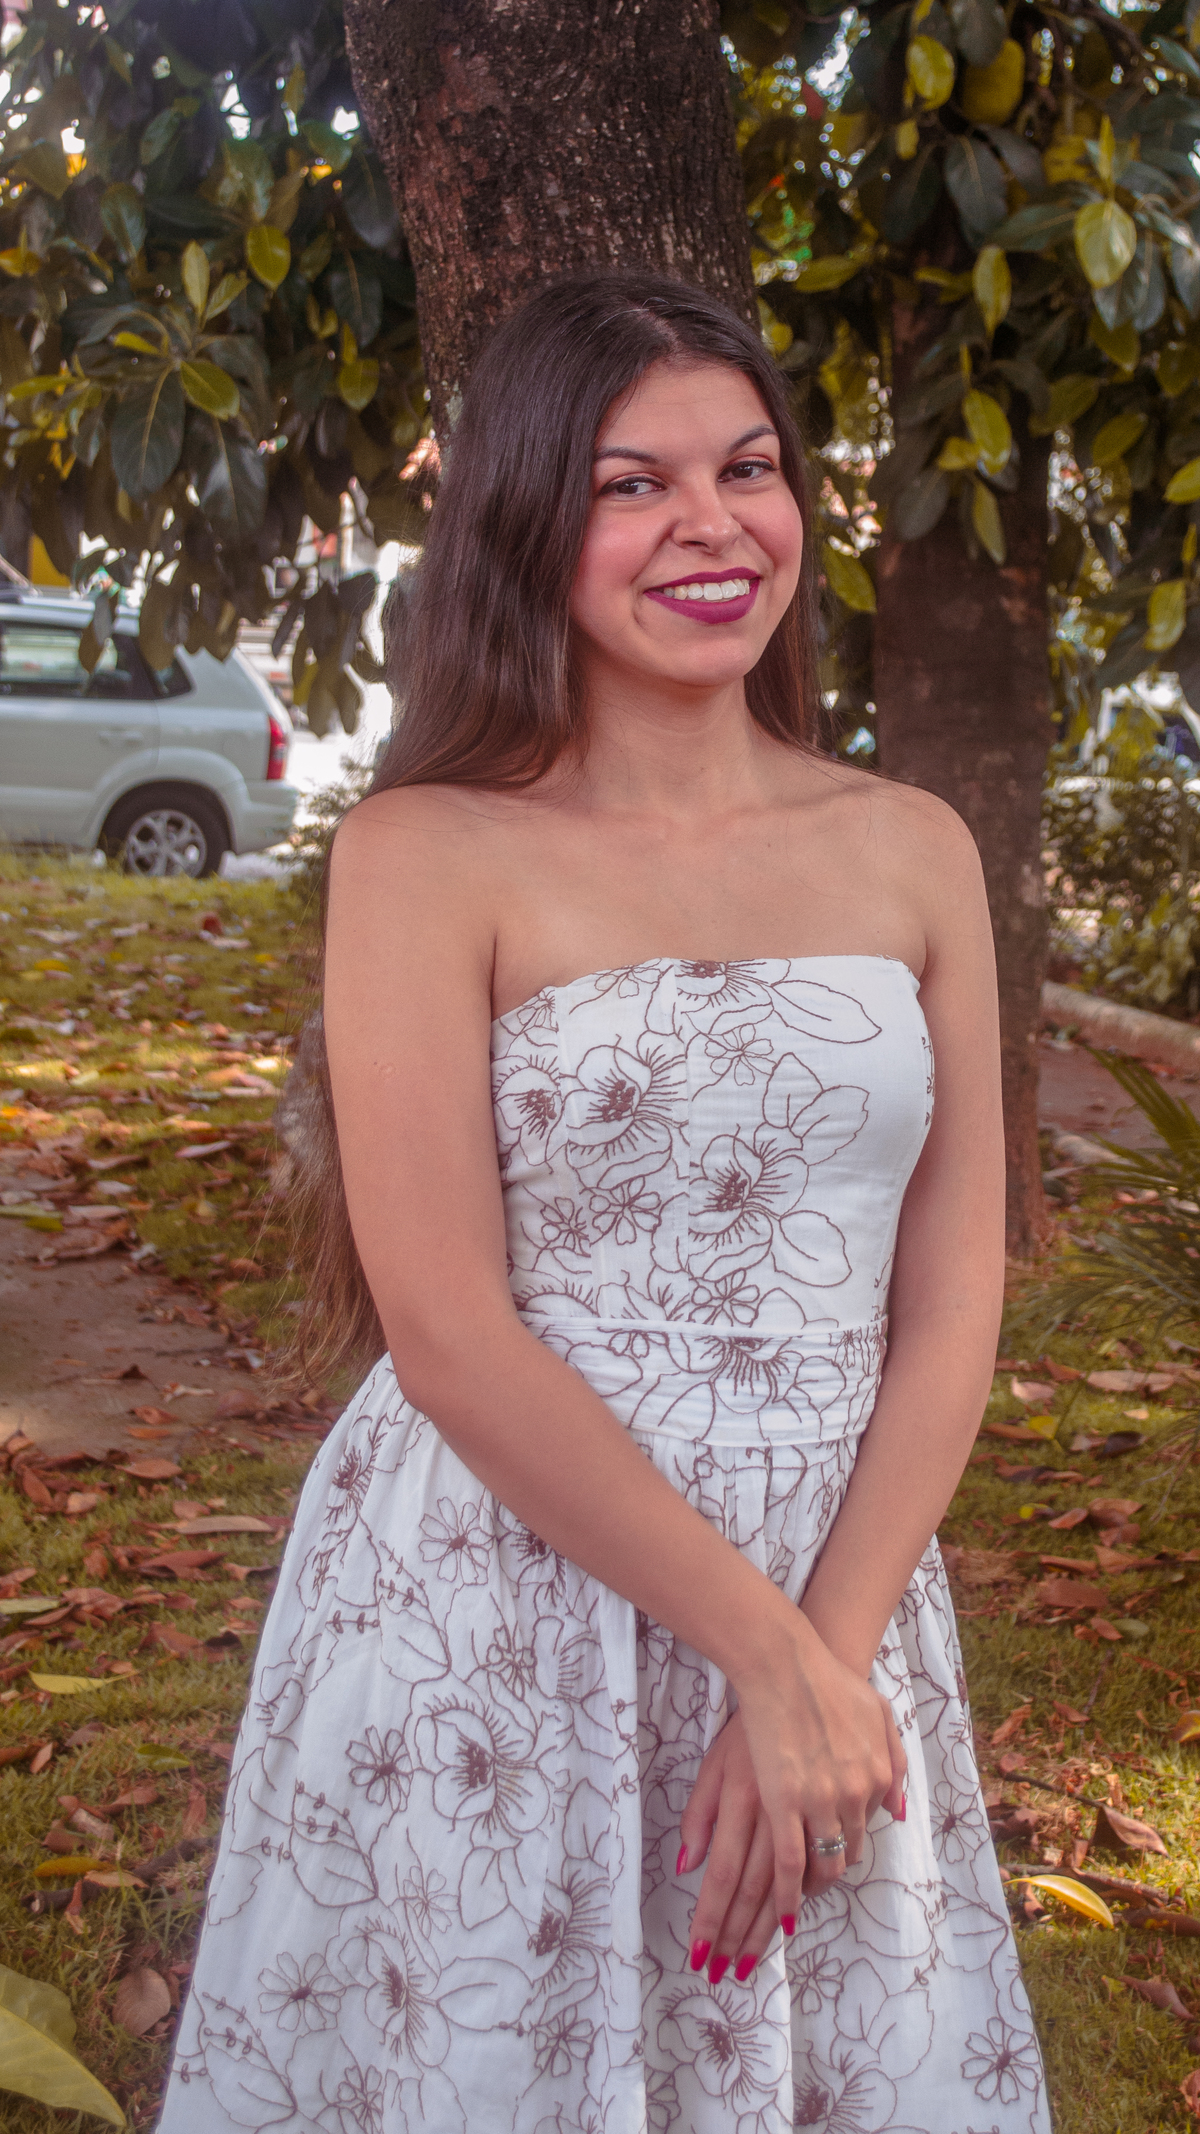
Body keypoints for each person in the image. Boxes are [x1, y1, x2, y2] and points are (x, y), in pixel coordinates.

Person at [158, 270, 1050, 2134]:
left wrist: (822, 1660)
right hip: (508, 1577)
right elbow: (447, 1329)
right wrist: (754, 1645)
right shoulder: (426, 851)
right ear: (525, 525)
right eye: (630, 484)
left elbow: (953, 1295)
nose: (710, 523)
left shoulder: (911, 848)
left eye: (747, 468)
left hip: (840, 1558)